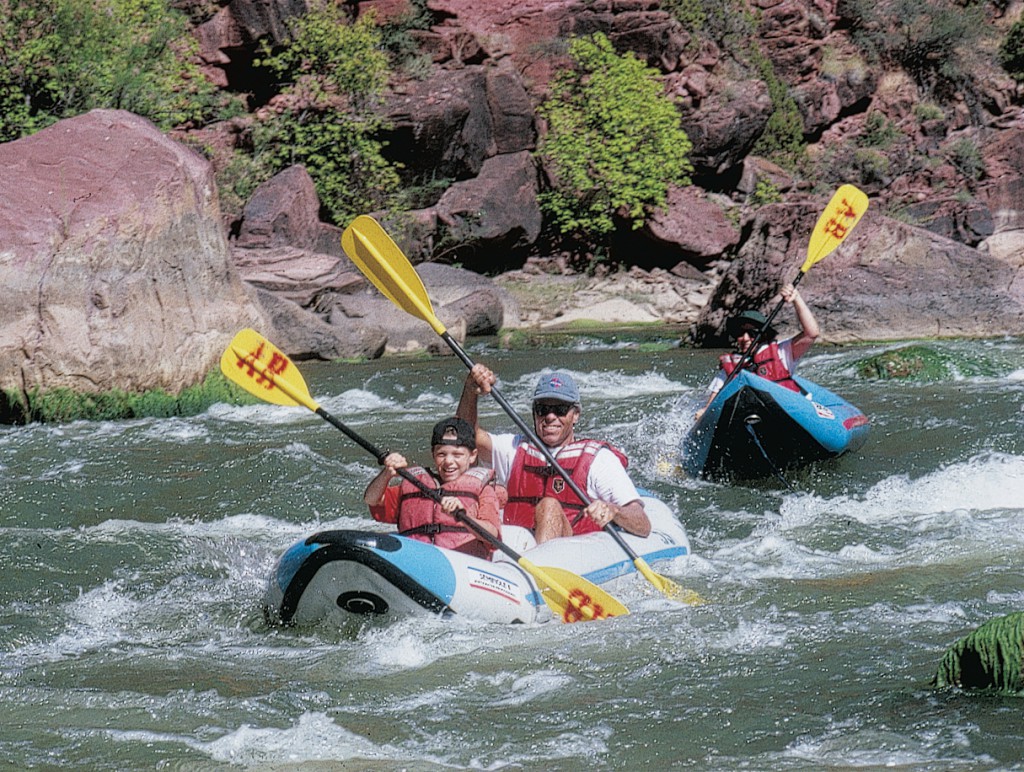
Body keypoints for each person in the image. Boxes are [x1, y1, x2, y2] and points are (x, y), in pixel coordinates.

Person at [457, 367, 651, 544]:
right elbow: (464, 439)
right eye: (543, 409)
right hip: (518, 549)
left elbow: (642, 524)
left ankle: (539, 573)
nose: (550, 417)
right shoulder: (514, 448)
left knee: (549, 506)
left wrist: (613, 510)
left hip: (573, 553)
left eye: (560, 410)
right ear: (534, 413)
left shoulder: (599, 459)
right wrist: (470, 391)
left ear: (575, 415)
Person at [363, 417, 502, 559]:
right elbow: (371, 499)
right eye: (441, 454)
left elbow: (492, 536)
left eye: (457, 455)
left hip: (460, 563)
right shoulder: (414, 484)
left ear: (472, 456)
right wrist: (387, 473)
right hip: (415, 559)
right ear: (433, 454)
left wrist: (463, 517)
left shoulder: (484, 490)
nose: (448, 461)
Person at [696, 283, 820, 418]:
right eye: (740, 332)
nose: (745, 338)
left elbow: (811, 334)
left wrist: (797, 299)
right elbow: (713, 399)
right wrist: (705, 412)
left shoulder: (781, 352)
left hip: (786, 412)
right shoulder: (731, 365)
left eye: (751, 332)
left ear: (764, 335)